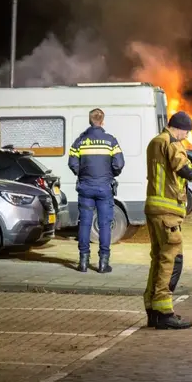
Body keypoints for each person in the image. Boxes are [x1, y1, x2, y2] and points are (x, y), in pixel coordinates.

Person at [143, 111, 192, 329]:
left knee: (158, 259)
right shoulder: (171, 142)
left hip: (154, 208)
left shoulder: (155, 142)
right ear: (179, 128)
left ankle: (152, 310)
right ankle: (164, 313)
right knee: (170, 260)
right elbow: (185, 170)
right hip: (168, 211)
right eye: (186, 132)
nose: (186, 136)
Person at [68, 108, 125, 273]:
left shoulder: (80, 141)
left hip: (85, 187)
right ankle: (103, 264)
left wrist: (82, 173)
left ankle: (83, 262)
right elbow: (119, 164)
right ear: (102, 121)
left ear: (89, 120)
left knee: (85, 224)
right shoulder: (110, 141)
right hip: (104, 188)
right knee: (105, 224)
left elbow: (72, 163)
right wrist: (111, 174)